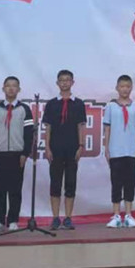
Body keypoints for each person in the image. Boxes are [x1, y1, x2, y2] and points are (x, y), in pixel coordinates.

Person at [0, 76, 34, 233]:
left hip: (17, 155)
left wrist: (25, 153)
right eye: (8, 86)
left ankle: (13, 220)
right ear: (3, 89)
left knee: (15, 190)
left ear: (19, 89)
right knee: (0, 190)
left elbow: (29, 134)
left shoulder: (24, 110)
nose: (11, 88)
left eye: (14, 86)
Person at [43, 69, 87, 231]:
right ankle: (55, 218)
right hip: (55, 149)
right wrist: (47, 147)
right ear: (57, 83)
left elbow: (81, 126)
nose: (65, 83)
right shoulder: (51, 104)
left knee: (70, 183)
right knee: (55, 184)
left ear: (72, 82)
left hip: (72, 148)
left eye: (68, 80)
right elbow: (48, 128)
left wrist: (81, 146)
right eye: (62, 80)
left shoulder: (78, 104)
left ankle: (68, 218)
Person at [104, 75, 135, 228]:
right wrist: (106, 148)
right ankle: (116, 215)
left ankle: (128, 215)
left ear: (131, 88)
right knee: (116, 183)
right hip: (115, 151)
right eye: (122, 86)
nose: (125, 89)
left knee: (130, 183)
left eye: (127, 86)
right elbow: (107, 129)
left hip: (131, 151)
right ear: (117, 88)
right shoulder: (110, 107)